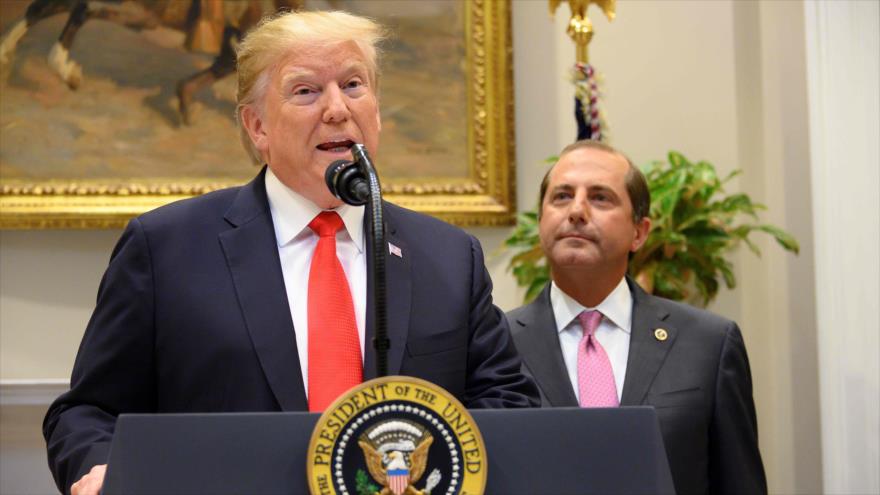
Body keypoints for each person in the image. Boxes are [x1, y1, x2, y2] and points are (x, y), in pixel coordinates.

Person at [44, 11, 538, 495]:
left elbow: (509, 403)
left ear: (377, 110)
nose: (337, 109)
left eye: (353, 85)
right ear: (257, 126)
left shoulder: (448, 255)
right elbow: (87, 412)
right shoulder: (166, 248)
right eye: (306, 91)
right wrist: (99, 468)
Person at [506, 140, 767, 494]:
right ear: (541, 222)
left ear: (639, 232)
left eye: (600, 197)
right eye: (562, 196)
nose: (577, 211)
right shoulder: (496, 343)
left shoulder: (709, 344)